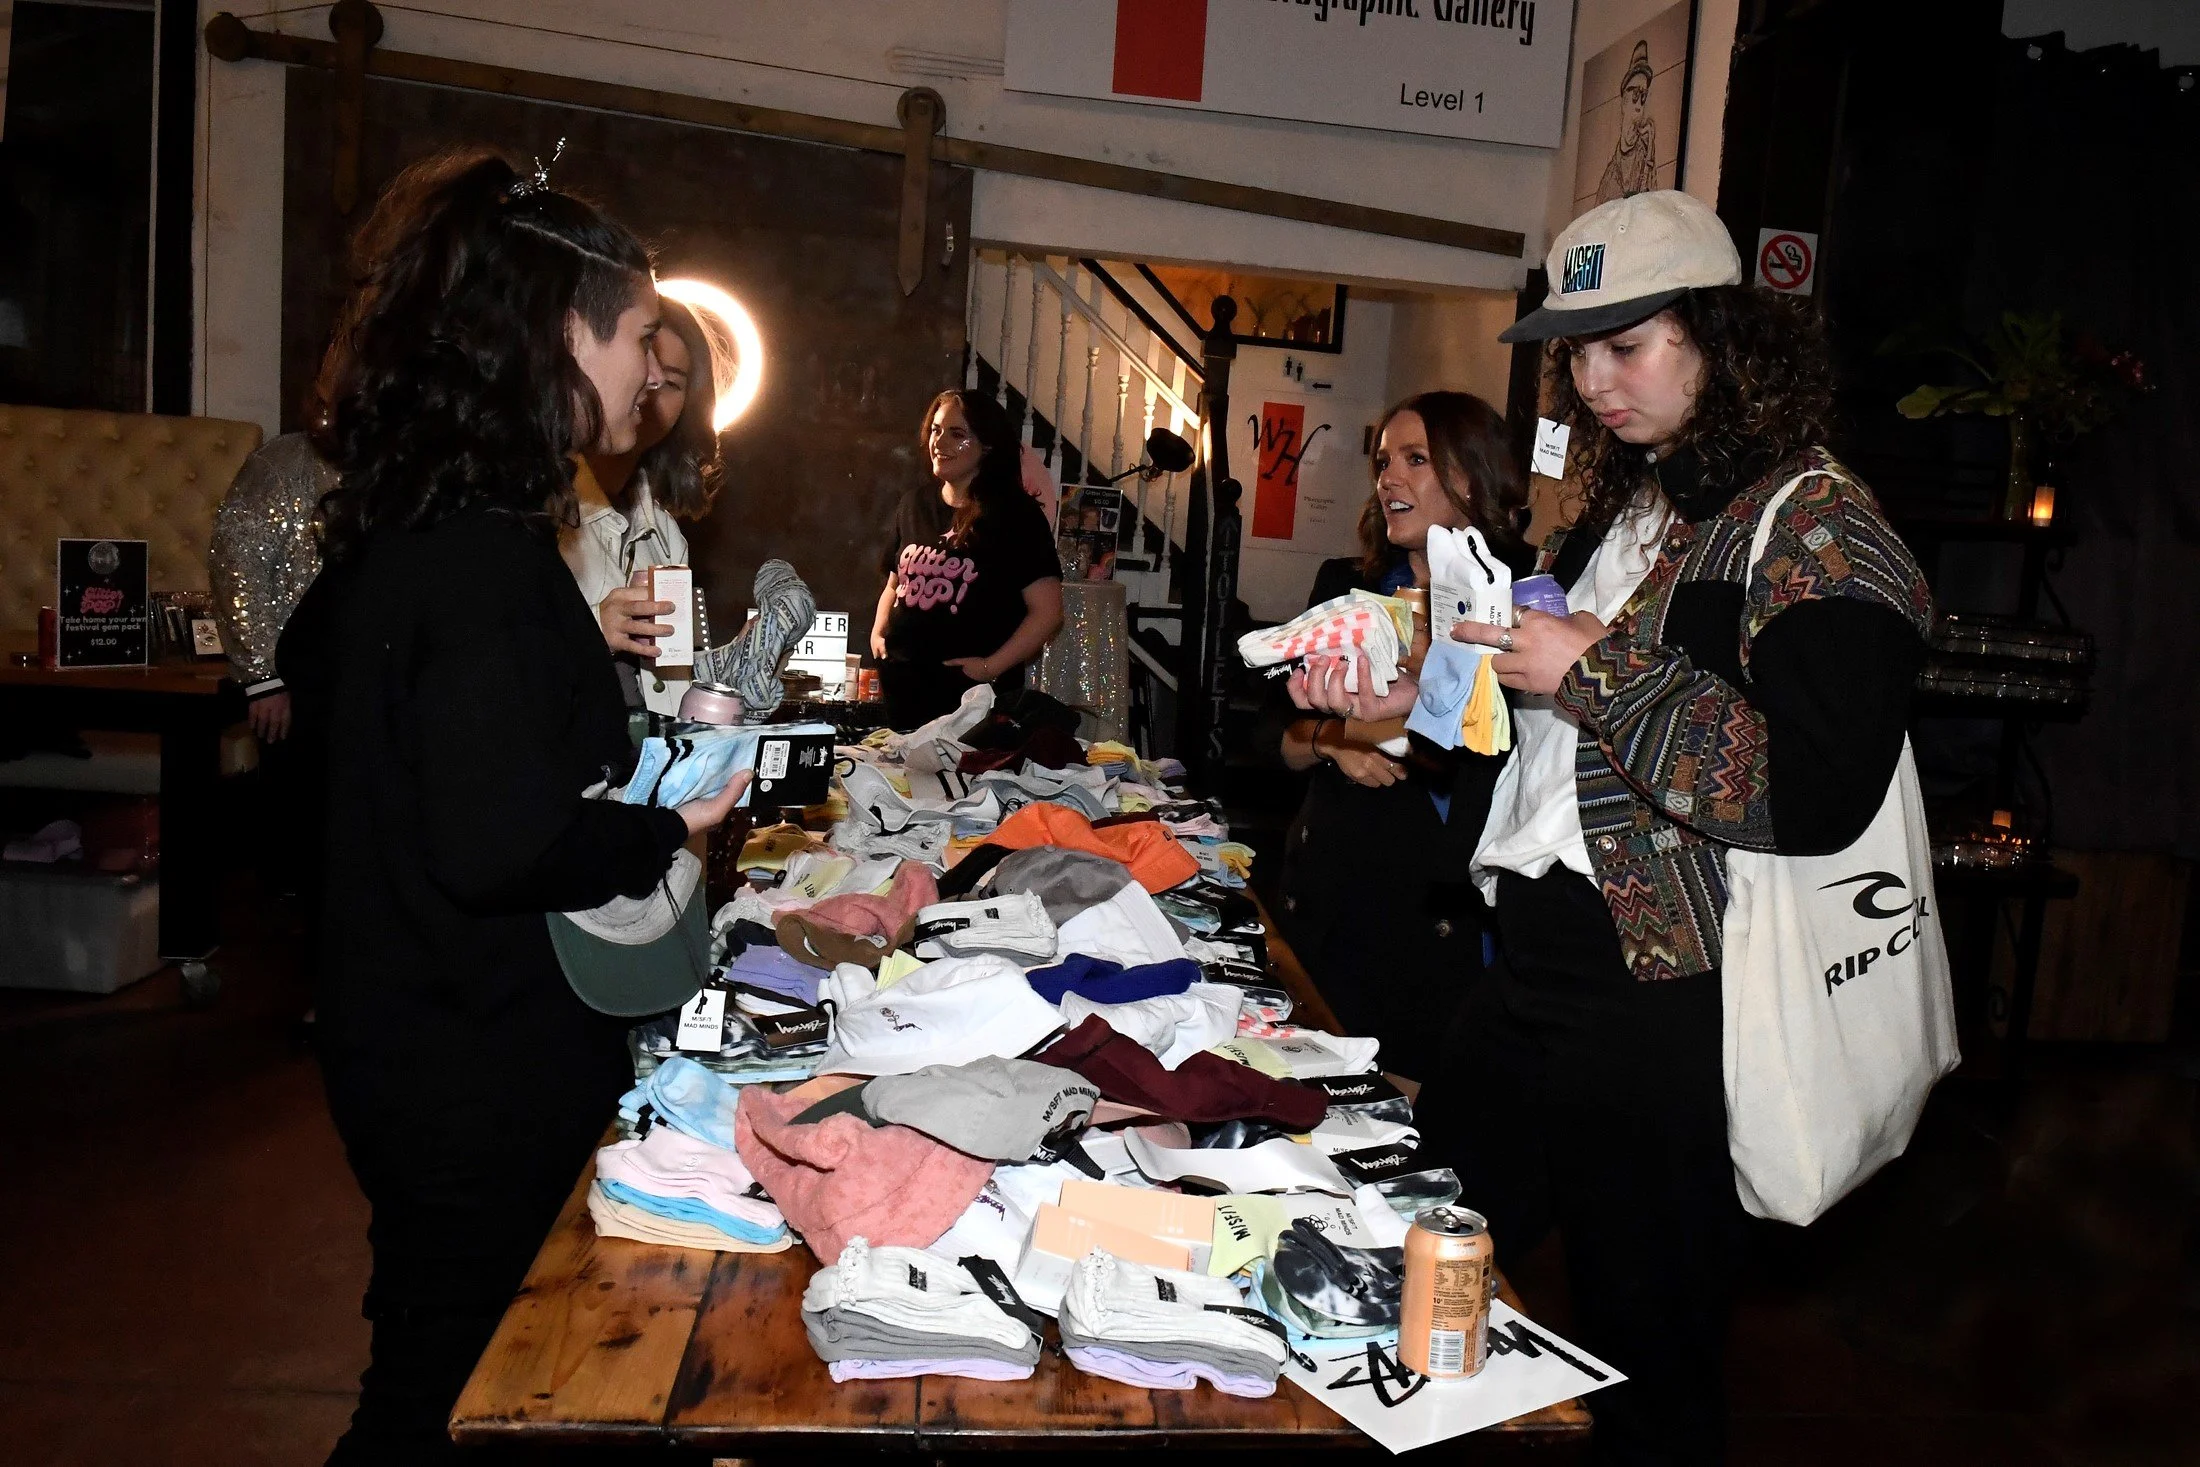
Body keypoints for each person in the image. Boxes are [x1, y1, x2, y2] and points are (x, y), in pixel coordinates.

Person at [1289, 191, 1931, 1465]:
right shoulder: (1629, 511)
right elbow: (1533, 748)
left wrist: (1596, 668)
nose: (1592, 380)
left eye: (1626, 345)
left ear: (1723, 338)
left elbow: (1814, 791)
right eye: (1576, 351)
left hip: (1658, 997)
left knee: (1650, 1351)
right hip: (1530, 969)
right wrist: (1392, 713)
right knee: (1422, 1252)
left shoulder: (1817, 527)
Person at [285, 149, 751, 1465]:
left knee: (449, 1357)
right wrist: (673, 828)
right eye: (641, 335)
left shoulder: (418, 533)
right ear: (564, 329)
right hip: (463, 1058)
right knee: (441, 1382)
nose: (648, 370)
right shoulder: (487, 563)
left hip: (413, 1026)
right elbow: (502, 841)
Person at [1274, 391, 1529, 1081]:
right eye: (1384, 460)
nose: (1389, 477)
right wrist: (1336, 740)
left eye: (1416, 459)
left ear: (1471, 478)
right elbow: (1288, 743)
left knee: (1390, 1140)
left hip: (1424, 928)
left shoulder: (1520, 606)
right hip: (1320, 895)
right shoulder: (1344, 590)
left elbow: (1487, 764)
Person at [560, 294, 728, 716]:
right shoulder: (543, 508)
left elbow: (671, 687)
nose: (650, 387)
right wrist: (594, 628)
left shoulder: (666, 535)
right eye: (643, 367)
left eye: (671, 382)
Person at [870, 388, 1064, 729]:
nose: (939, 442)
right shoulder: (913, 504)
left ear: (987, 444)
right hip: (902, 692)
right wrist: (879, 631)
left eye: (957, 434)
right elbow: (894, 582)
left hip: (970, 703)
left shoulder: (1016, 516)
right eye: (936, 429)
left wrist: (990, 667)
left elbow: (1048, 613)